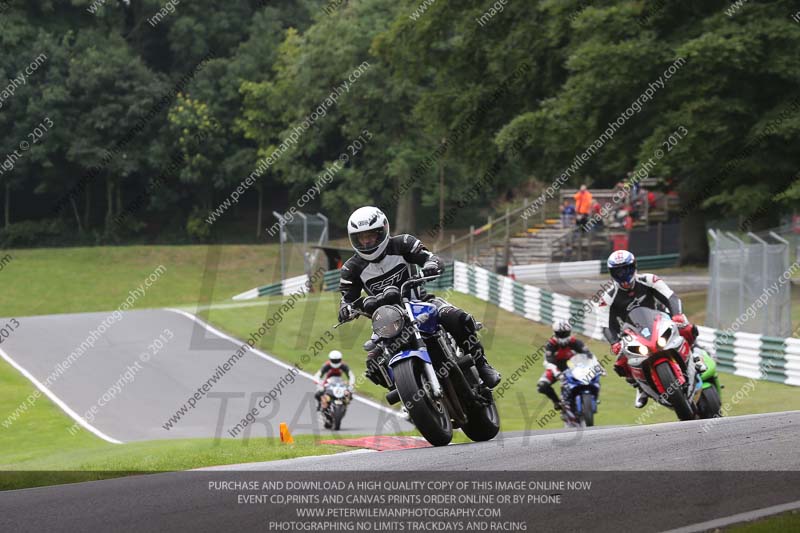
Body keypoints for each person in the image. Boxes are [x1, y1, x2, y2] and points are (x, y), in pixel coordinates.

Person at [338, 206, 501, 388]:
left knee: (455, 317)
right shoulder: (351, 268)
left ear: (382, 231)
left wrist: (431, 264)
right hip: (388, 321)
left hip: (421, 302)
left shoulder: (403, 243)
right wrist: (345, 308)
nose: (367, 242)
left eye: (371, 236)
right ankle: (409, 394)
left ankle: (482, 365)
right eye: (362, 238)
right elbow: (347, 297)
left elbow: (430, 257)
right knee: (374, 363)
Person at [601, 250, 707, 408]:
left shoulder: (648, 279)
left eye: (627, 269)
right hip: (631, 333)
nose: (623, 274)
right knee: (620, 363)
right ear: (612, 273)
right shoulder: (608, 297)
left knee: (686, 328)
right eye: (618, 271)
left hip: (660, 320)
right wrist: (614, 342)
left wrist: (677, 315)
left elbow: (670, 296)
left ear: (634, 266)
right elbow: (605, 324)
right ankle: (639, 386)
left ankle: (695, 355)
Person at [536, 321, 595, 411]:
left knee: (588, 381)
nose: (563, 336)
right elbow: (548, 361)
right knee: (542, 386)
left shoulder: (575, 342)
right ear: (555, 333)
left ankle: (589, 398)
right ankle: (557, 402)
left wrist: (594, 366)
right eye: (560, 334)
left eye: (565, 333)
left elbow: (589, 355)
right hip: (555, 369)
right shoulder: (551, 344)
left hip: (572, 367)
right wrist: (557, 373)